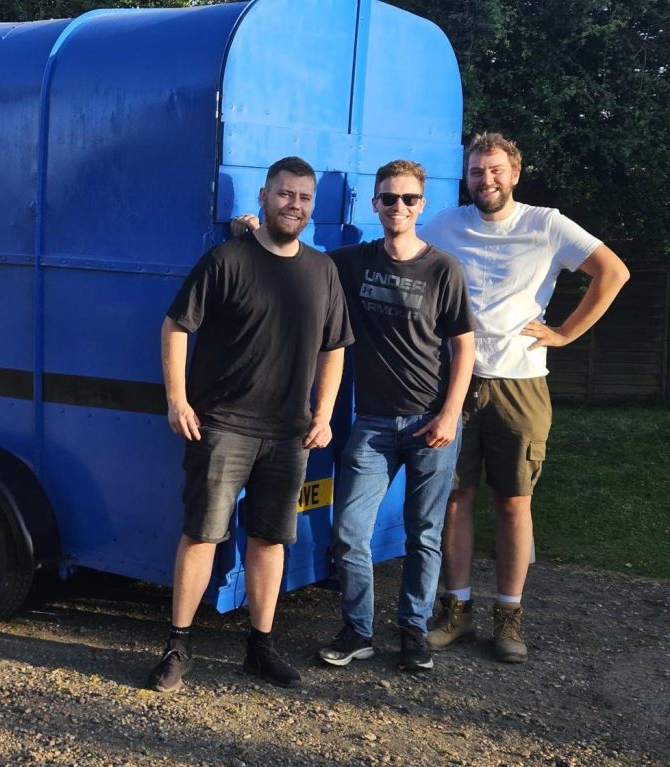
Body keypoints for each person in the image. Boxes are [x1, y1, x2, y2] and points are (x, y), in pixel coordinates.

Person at [234, 160, 476, 672]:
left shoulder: (444, 269)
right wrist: (254, 229)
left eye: (408, 199)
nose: (398, 207)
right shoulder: (352, 262)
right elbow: (298, 257)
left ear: (421, 205)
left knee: (424, 533)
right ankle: (358, 630)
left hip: (432, 422)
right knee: (348, 530)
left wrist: (450, 414)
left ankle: (413, 631)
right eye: (388, 198)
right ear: (375, 204)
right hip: (373, 424)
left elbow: (464, 348)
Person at [419, 132, 630, 663]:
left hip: (521, 384)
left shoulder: (547, 224)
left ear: (515, 173)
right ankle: (455, 610)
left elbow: (613, 272)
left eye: (495, 170)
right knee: (454, 500)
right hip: (456, 380)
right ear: (466, 177)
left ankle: (508, 618)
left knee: (513, 502)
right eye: (476, 171)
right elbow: (397, 251)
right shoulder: (444, 225)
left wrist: (565, 333)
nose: (485, 179)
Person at [148, 156, 354, 693]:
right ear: (264, 197)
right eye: (285, 194)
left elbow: (334, 347)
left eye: (304, 197)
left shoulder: (322, 270)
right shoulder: (226, 260)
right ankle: (177, 646)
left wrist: (323, 413)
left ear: (312, 206)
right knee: (202, 535)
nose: (294, 205)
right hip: (221, 426)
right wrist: (177, 400)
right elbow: (176, 326)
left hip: (289, 433)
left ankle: (259, 649)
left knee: (270, 539)